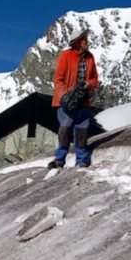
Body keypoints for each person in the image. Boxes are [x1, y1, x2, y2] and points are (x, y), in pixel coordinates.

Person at [49, 27, 99, 168]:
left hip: (82, 101)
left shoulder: (90, 57)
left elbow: (95, 78)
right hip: (66, 102)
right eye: (84, 40)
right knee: (64, 130)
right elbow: (59, 79)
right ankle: (59, 160)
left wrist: (89, 84)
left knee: (81, 131)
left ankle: (82, 159)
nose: (87, 42)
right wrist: (65, 96)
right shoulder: (65, 56)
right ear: (77, 42)